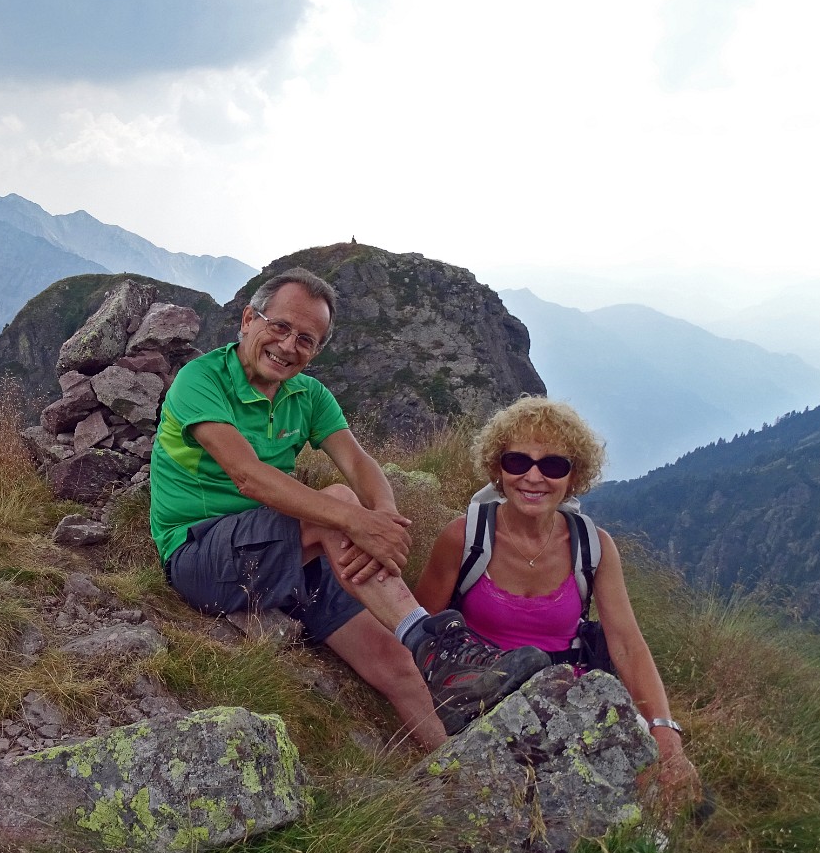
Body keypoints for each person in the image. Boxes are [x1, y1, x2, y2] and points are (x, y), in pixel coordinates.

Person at [149, 267, 551, 751]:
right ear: (248, 320)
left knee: (397, 662)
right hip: (200, 556)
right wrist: (357, 519)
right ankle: (433, 641)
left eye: (307, 339)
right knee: (337, 503)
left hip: (286, 550)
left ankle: (456, 770)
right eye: (279, 327)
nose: (289, 345)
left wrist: (384, 518)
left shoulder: (309, 395)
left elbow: (359, 461)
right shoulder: (202, 379)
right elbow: (247, 475)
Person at [414, 396, 701, 805]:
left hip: (566, 694)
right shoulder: (465, 538)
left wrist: (665, 733)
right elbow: (423, 632)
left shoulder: (593, 548)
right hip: (475, 690)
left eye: (552, 465)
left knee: (648, 789)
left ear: (574, 475)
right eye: (517, 462)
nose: (533, 477)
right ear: (498, 469)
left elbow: (627, 643)